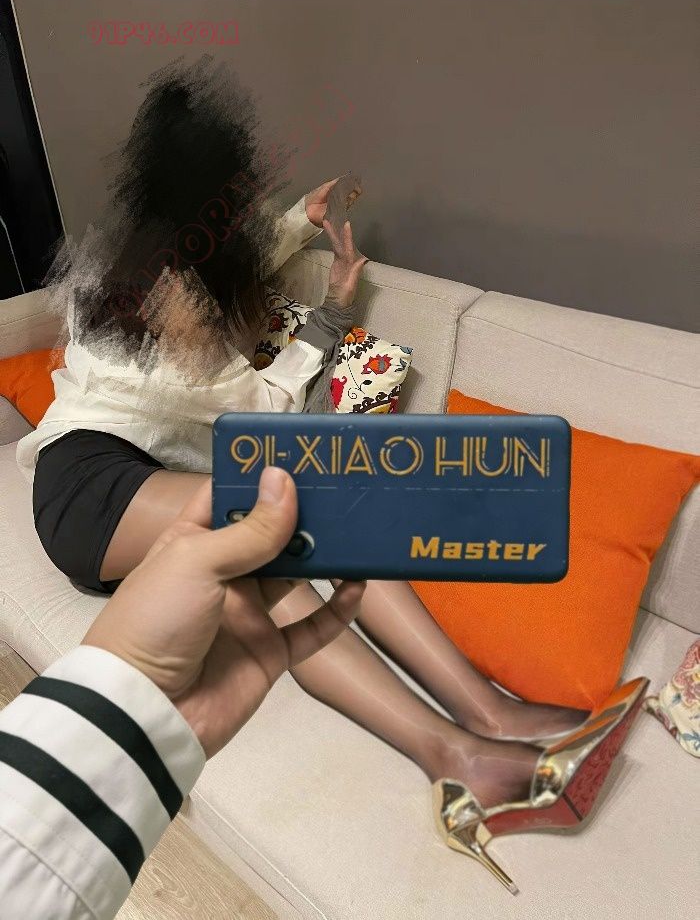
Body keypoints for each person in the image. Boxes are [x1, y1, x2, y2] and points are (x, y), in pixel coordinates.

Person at [15, 59, 647, 890]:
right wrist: (336, 315)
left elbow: (226, 263)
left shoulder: (152, 257)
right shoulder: (169, 302)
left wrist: (301, 222)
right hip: (88, 488)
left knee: (289, 556)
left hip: (138, 482)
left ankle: (473, 737)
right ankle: (474, 731)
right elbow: (262, 418)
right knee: (290, 519)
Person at [0, 467, 367, 919]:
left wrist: (143, 713)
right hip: (87, 472)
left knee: (308, 553)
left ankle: (450, 733)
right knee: (308, 532)